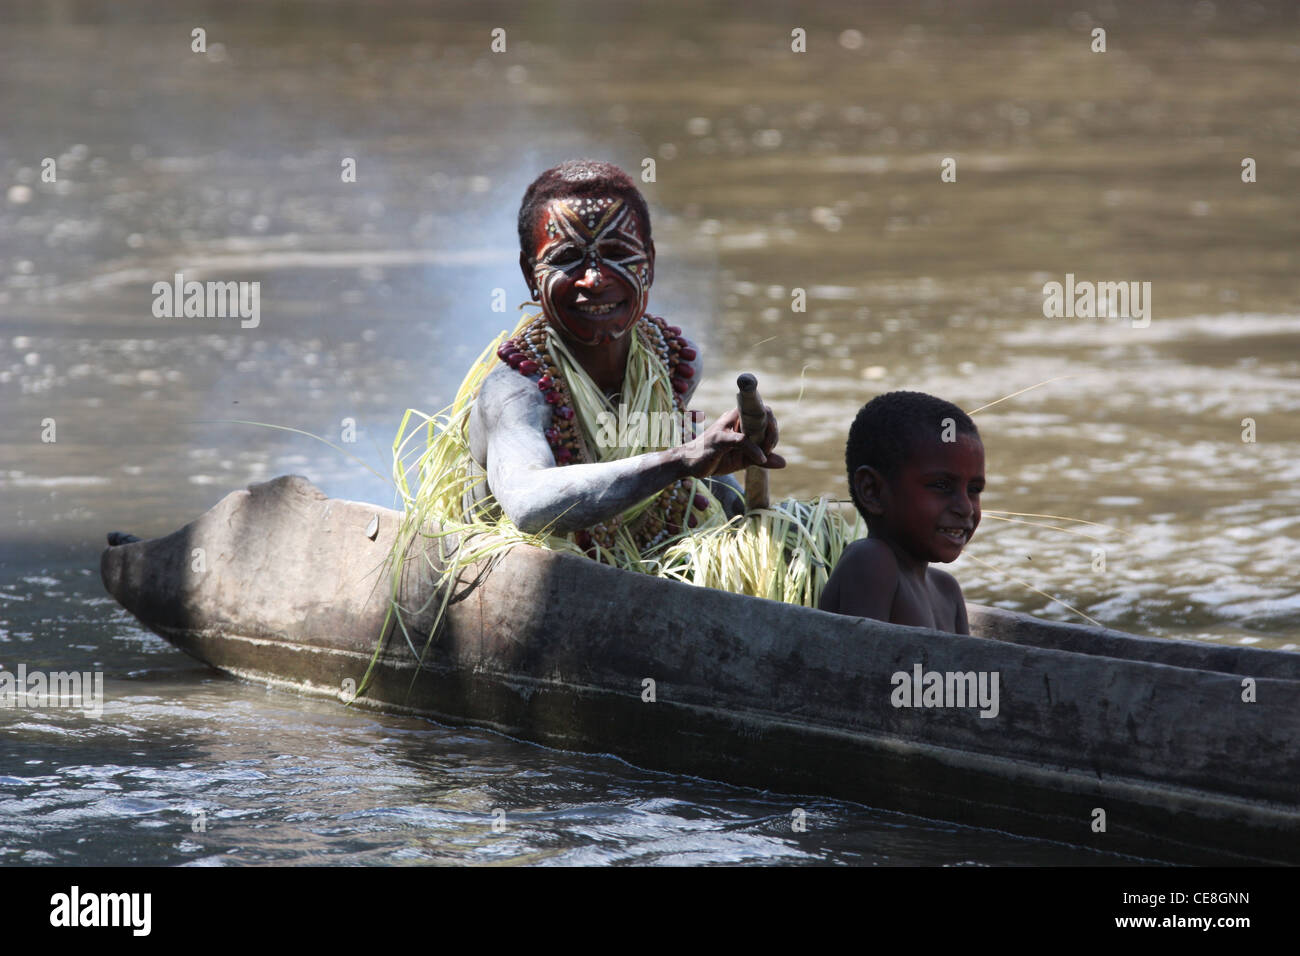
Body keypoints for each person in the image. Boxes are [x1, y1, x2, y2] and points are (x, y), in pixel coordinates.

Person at [460, 159, 784, 556]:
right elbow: (529, 506)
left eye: (617, 253)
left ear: (648, 263)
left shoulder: (672, 362)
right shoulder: (515, 393)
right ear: (530, 275)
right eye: (566, 258)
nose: (594, 279)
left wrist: (726, 459)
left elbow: (666, 467)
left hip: (627, 580)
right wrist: (683, 458)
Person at [818, 391, 984, 634]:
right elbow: (861, 667)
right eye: (941, 485)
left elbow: (962, 671)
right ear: (872, 491)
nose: (966, 507)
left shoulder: (947, 589)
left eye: (974, 489)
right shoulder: (871, 561)